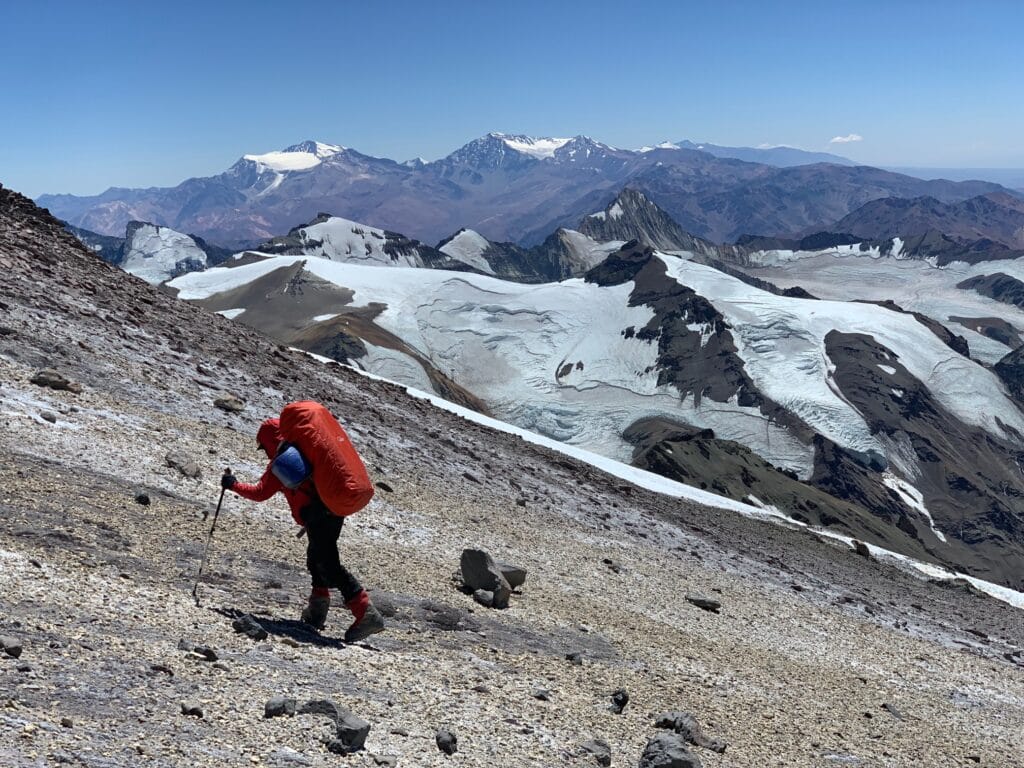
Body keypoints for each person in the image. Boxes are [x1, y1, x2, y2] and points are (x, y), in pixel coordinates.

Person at [221, 417, 385, 642]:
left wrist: (232, 484)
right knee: (316, 557)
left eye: (263, 446)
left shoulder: (284, 461)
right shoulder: (307, 452)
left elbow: (260, 493)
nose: (264, 451)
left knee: (328, 563)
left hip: (317, 514)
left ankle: (366, 613)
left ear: (269, 441)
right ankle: (317, 611)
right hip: (333, 508)